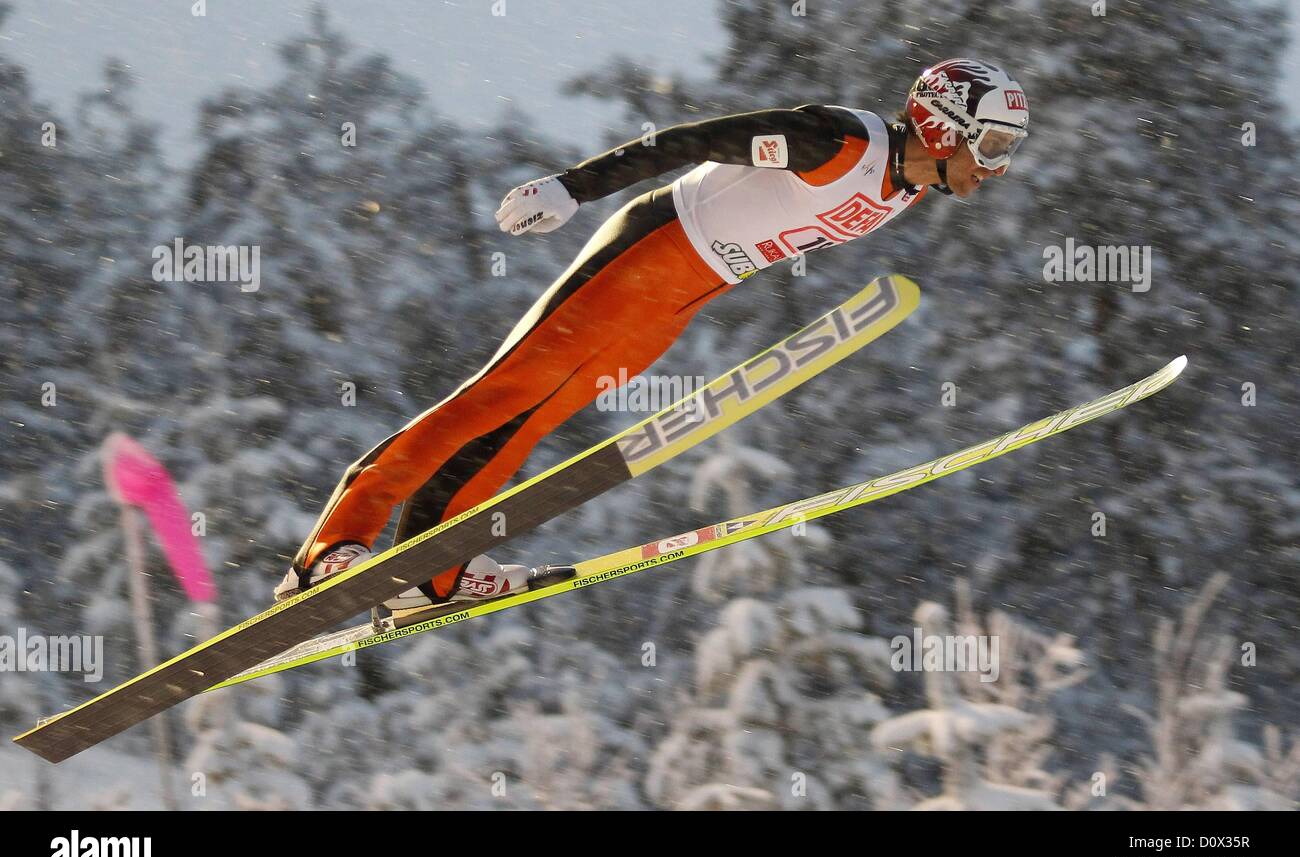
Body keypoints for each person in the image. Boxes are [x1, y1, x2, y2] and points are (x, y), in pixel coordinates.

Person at [274, 58, 1030, 612]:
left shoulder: (906, 189)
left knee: (534, 419)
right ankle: (330, 548)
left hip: (681, 297)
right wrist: (573, 186)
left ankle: (431, 570)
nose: (996, 168)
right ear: (942, 126)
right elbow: (694, 141)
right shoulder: (836, 144)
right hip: (646, 255)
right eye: (992, 147)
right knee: (499, 395)